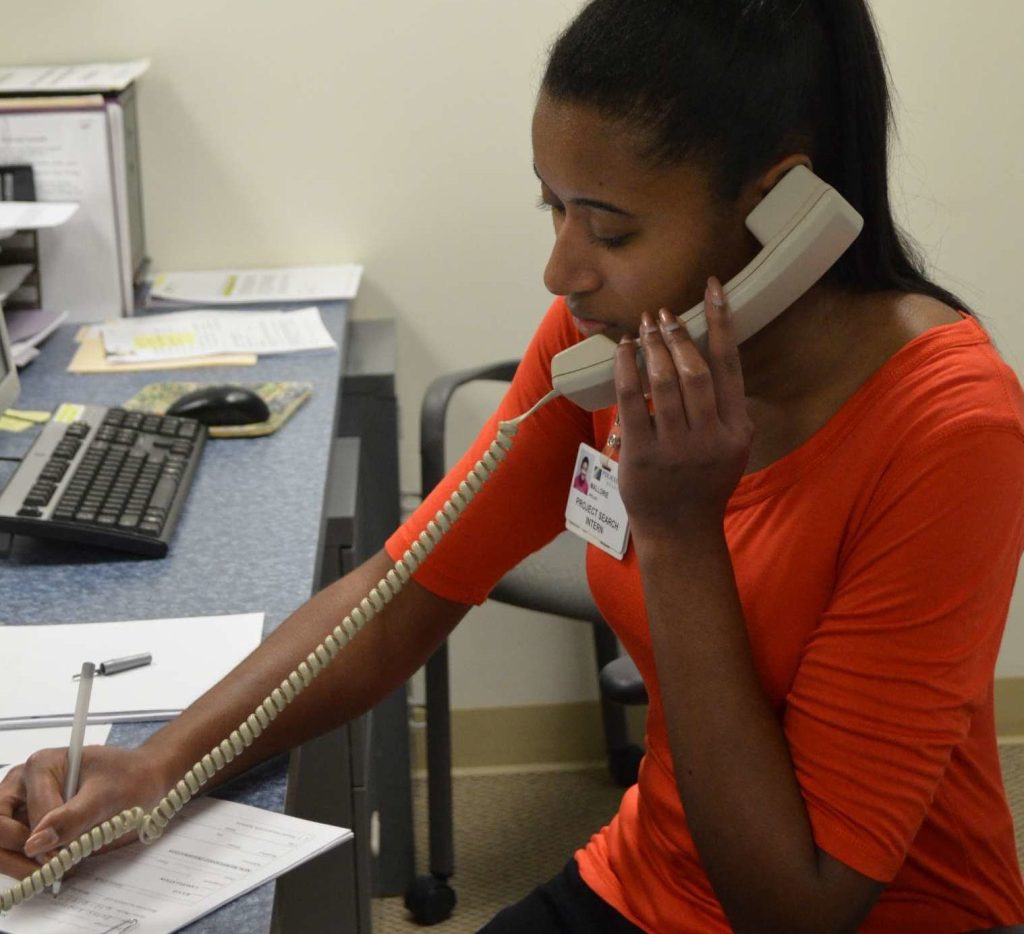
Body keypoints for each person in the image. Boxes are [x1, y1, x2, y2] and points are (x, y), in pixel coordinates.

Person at [3, 0, 1024, 930]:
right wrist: (157, 765)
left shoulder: (949, 430)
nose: (561, 269)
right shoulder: (612, 343)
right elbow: (399, 597)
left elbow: (796, 906)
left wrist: (676, 531)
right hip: (652, 878)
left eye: (610, 226)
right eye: (555, 207)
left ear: (778, 213)